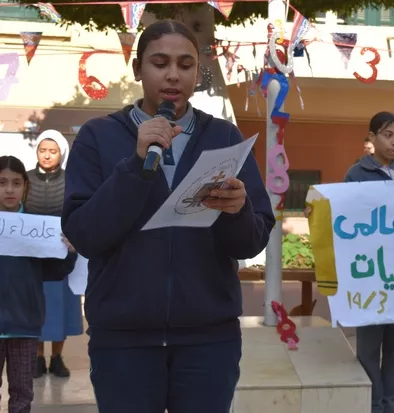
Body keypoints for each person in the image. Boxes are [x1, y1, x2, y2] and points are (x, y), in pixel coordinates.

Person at [61, 20, 274, 413]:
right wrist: (136, 166)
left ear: (198, 71)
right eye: (160, 63)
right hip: (123, 341)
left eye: (185, 64)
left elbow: (252, 240)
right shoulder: (98, 137)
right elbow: (85, 234)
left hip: (209, 341)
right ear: (138, 69)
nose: (174, 75)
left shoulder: (224, 137)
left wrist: (237, 211)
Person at [308, 111, 394, 413]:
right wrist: (319, 211)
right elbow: (344, 218)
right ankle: (373, 404)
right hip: (369, 276)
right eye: (388, 135)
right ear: (372, 138)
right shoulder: (357, 174)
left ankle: (392, 403)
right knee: (369, 347)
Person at [0, 155, 77, 413]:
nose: (9, 190)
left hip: (26, 324)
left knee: (22, 394)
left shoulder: (38, 227)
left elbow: (53, 272)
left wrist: (69, 252)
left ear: (26, 186)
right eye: (2, 183)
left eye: (15, 183)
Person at [25, 130, 83, 379]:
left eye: (52, 151)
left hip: (63, 255)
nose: (47, 155)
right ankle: (38, 358)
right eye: (42, 150)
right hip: (31, 256)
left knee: (60, 307)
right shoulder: (25, 179)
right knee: (35, 306)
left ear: (61, 153)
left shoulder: (73, 180)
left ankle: (57, 358)